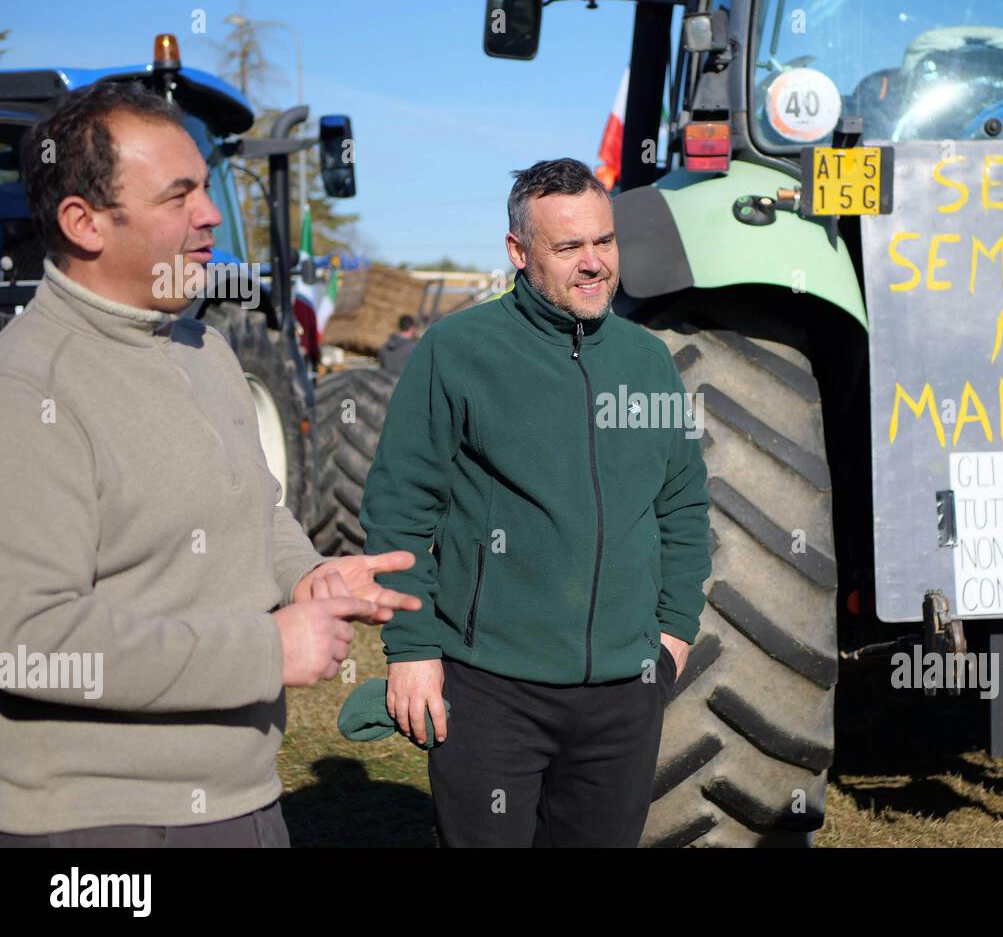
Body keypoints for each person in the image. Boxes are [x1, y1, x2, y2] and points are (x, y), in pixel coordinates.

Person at [0, 80, 420, 847]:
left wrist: (306, 574)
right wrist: (268, 649)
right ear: (83, 222)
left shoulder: (206, 349)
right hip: (104, 827)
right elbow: (28, 640)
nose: (212, 214)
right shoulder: (26, 388)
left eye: (206, 185)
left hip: (243, 802)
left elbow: (259, 509)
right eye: (179, 195)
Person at [362, 157, 712, 847]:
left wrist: (672, 636)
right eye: (569, 246)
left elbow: (683, 505)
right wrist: (411, 651)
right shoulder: (457, 351)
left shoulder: (648, 362)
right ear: (519, 253)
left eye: (604, 242)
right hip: (491, 688)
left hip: (626, 690)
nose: (594, 263)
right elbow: (400, 507)